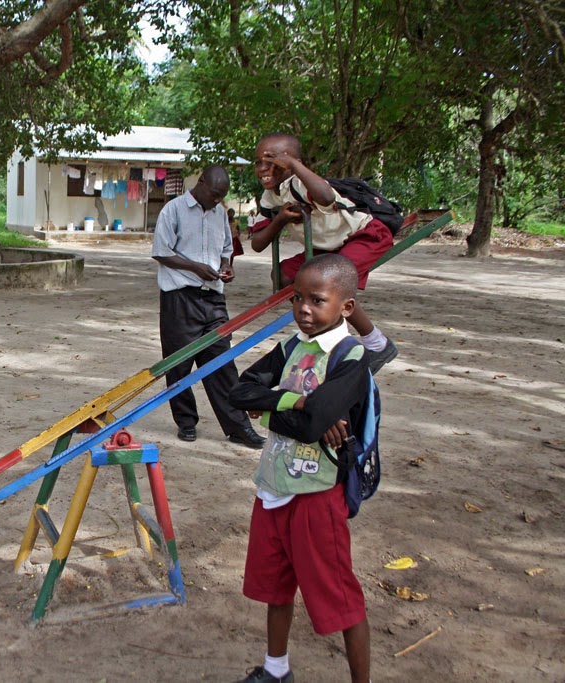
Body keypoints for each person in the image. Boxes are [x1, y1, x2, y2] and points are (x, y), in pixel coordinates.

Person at [229, 254, 372, 683]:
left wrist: (269, 412)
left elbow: (312, 427)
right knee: (276, 586)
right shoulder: (291, 347)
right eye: (296, 298)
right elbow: (239, 392)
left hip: (317, 493)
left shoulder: (351, 357)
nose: (303, 309)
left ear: (346, 306)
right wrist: (296, 402)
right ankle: (276, 670)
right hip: (274, 483)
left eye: (317, 300)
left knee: (339, 597)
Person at [249, 132, 398, 374]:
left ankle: (376, 342)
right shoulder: (269, 198)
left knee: (331, 280)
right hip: (328, 246)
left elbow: (327, 197)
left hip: (364, 234)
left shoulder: (300, 184)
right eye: (259, 162)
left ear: (291, 162)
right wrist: (281, 220)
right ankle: (322, 327)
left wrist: (295, 166)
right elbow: (257, 243)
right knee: (284, 275)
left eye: (272, 161)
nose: (263, 168)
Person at [152, 164, 266, 449]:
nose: (217, 200)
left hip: (213, 297)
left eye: (222, 196)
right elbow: (161, 252)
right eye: (215, 194)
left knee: (222, 363)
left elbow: (226, 250)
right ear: (201, 182)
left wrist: (226, 266)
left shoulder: (219, 214)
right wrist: (195, 267)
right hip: (180, 298)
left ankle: (238, 427)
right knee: (178, 365)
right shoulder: (173, 210)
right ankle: (186, 422)